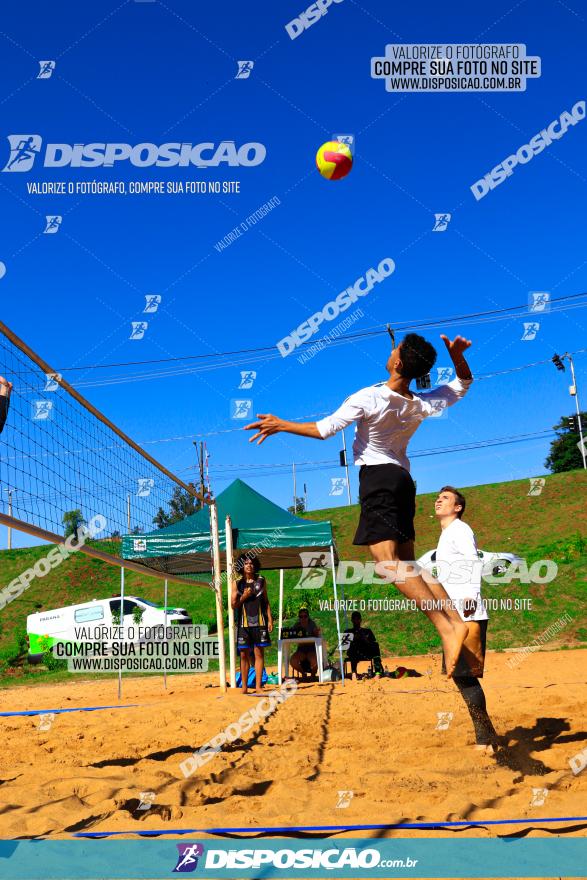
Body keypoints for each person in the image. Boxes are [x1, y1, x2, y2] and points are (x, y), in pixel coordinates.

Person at [245, 332, 473, 676]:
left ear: (397, 362)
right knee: (407, 562)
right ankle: (455, 617)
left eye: (394, 348)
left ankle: (447, 628)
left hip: (379, 481)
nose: (391, 349)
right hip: (403, 481)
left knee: (387, 565)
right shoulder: (420, 403)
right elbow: (463, 384)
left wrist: (281, 425)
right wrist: (456, 356)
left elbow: (325, 429)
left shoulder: (370, 396)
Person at [434, 486, 498, 753]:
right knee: (462, 676)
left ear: (457, 507)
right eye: (438, 497)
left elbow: (473, 561)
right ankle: (487, 734)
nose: (438, 500)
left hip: (467, 612)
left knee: (465, 676)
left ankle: (485, 738)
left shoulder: (460, 529)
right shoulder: (448, 533)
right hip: (454, 616)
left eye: (445, 498)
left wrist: (472, 594)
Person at [231, 554, 273, 695]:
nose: (249, 565)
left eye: (251, 563)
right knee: (244, 655)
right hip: (244, 624)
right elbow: (233, 605)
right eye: (246, 563)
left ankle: (259, 686)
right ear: (242, 566)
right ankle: (244, 687)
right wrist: (244, 596)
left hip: (260, 623)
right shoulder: (237, 583)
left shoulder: (261, 580)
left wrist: (270, 619)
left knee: (259, 654)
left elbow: (266, 601)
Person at [344, 611, 384, 676]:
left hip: (366, 652)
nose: (356, 621)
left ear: (360, 620)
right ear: (351, 620)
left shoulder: (367, 631)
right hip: (354, 653)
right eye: (354, 619)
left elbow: (373, 644)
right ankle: (354, 672)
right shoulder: (348, 632)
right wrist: (352, 639)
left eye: (358, 619)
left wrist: (365, 639)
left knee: (375, 645)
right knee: (353, 647)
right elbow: (343, 648)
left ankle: (377, 672)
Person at [290, 607, 321, 678]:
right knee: (293, 660)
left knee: (315, 660)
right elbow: (292, 634)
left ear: (308, 617)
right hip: (301, 649)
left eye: (305, 616)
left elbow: (316, 634)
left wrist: (316, 632)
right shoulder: (297, 625)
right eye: (301, 616)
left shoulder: (312, 624)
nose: (303, 618)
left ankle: (313, 675)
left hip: (311, 649)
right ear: (299, 617)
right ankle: (303, 673)